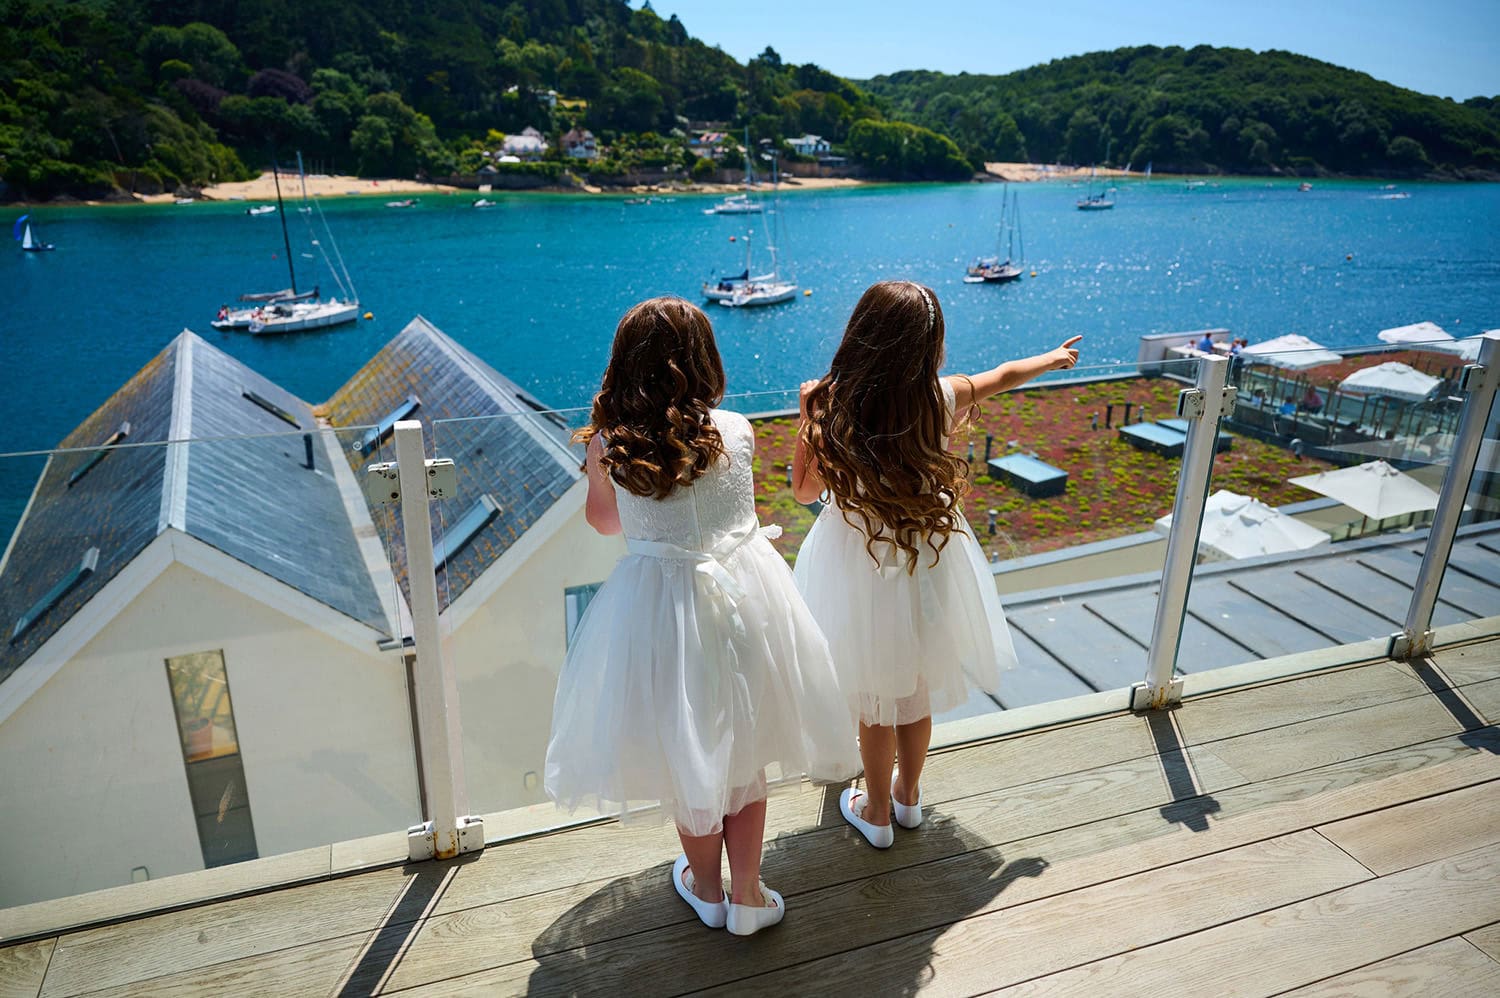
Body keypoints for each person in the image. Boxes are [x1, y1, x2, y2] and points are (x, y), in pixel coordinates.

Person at [544, 297, 857, 936]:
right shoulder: (736, 429)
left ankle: (706, 890)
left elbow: (604, 521)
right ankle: (746, 893)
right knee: (745, 750)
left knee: (687, 751)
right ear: (704, 358)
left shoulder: (612, 441)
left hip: (659, 610)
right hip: (744, 601)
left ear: (624, 362)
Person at [791, 280, 1080, 849]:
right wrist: (1052, 359)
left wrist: (809, 417)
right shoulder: (939, 396)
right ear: (928, 345)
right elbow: (1003, 376)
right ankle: (908, 797)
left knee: (874, 697)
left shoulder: (834, 406)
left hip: (859, 561)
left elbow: (803, 491)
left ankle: (873, 811)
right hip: (928, 555)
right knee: (915, 690)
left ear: (861, 337)